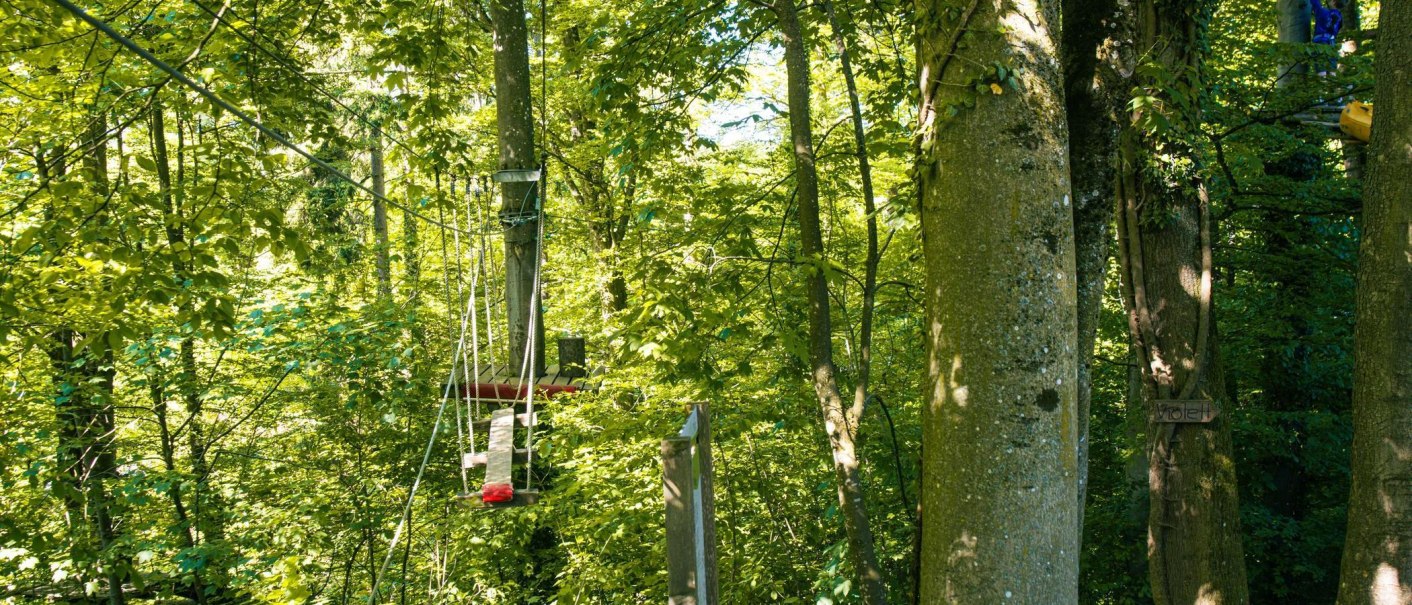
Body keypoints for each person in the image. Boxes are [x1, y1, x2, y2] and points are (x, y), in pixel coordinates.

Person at [1312, 0, 1343, 75]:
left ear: (1333, 2)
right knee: (1332, 68)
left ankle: (1322, 83)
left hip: (1320, 42)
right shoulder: (1340, 17)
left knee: (1321, 67)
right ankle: (1333, 85)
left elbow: (1315, 2)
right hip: (1331, 43)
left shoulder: (1323, 12)